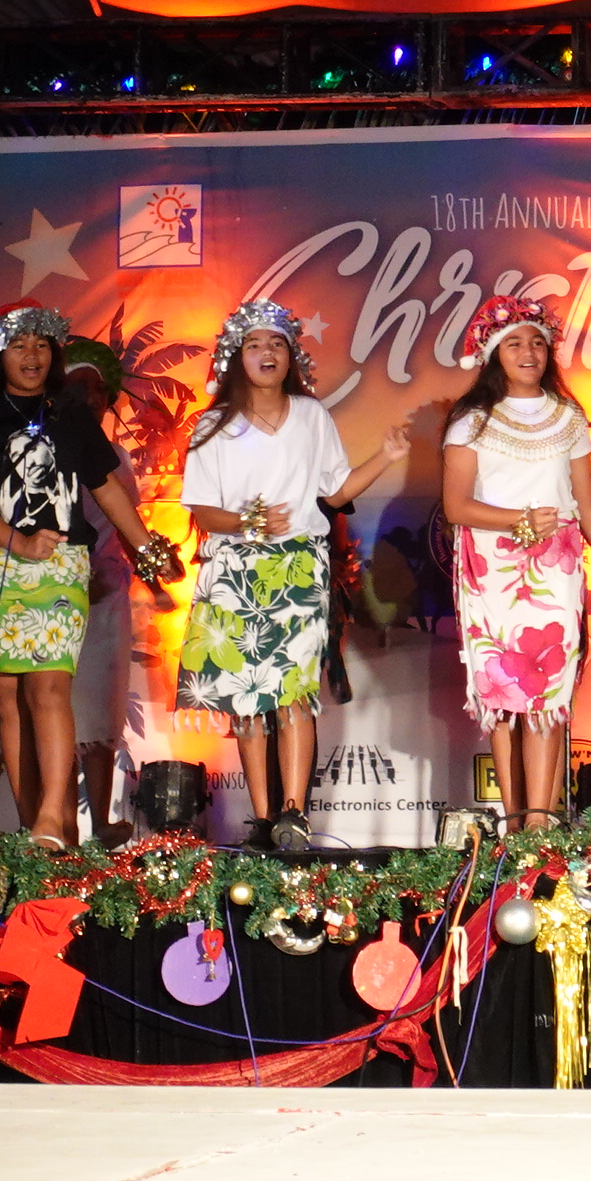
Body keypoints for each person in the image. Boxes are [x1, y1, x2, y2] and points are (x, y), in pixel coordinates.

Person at [0, 301, 180, 848]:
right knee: (9, 699)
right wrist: (18, 541)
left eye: (41, 345)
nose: (32, 356)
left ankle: (53, 815)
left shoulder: (69, 415)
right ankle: (39, 827)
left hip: (59, 565)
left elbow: (106, 487)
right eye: (19, 345)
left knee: (49, 687)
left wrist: (149, 548)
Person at [179, 300, 409, 853]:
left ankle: (293, 813)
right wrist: (249, 522)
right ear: (236, 356)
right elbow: (203, 510)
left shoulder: (311, 416)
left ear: (291, 358)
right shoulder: (214, 424)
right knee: (247, 699)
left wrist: (385, 456)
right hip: (235, 569)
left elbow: (335, 490)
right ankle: (262, 818)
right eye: (255, 344)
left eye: (277, 344)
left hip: (298, 567)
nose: (267, 353)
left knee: (295, 693)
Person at [441, 294, 591, 832]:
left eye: (538, 343)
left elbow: (589, 506)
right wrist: (519, 521)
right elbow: (456, 506)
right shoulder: (471, 421)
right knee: (502, 695)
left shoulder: (568, 417)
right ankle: (513, 819)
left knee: (546, 693)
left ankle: (539, 823)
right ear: (493, 354)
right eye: (515, 343)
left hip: (555, 566)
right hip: (492, 566)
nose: (529, 352)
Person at [59, 340, 139, 847]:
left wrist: (152, 566)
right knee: (62, 713)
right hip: (57, 595)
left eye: (99, 388)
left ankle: (102, 824)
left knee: (101, 711)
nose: (91, 397)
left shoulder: (119, 458)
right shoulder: (50, 453)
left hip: (108, 595)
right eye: (79, 387)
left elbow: (128, 526)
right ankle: (62, 823)